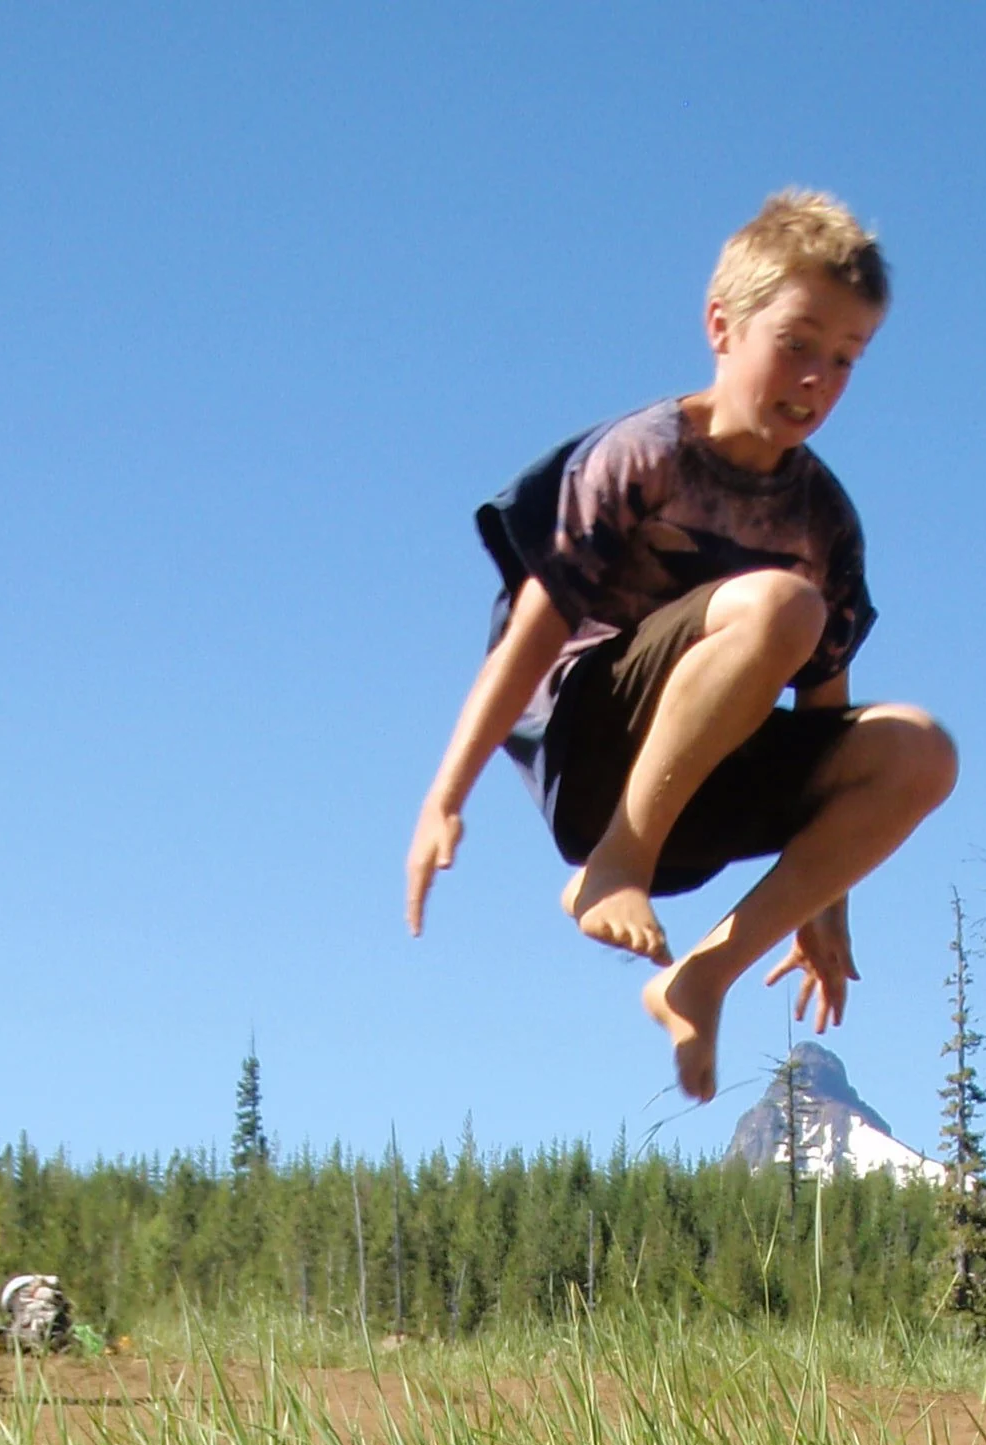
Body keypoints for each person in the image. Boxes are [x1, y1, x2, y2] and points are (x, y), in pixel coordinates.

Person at [405, 189, 957, 1108]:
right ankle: (614, 868)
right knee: (784, 606)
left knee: (922, 749)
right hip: (597, 757)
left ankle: (701, 977)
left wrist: (827, 904)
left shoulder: (825, 517)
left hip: (705, 789)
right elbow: (536, 626)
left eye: (845, 359)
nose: (816, 377)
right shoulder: (645, 454)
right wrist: (445, 796)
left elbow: (828, 713)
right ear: (722, 325)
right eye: (797, 342)